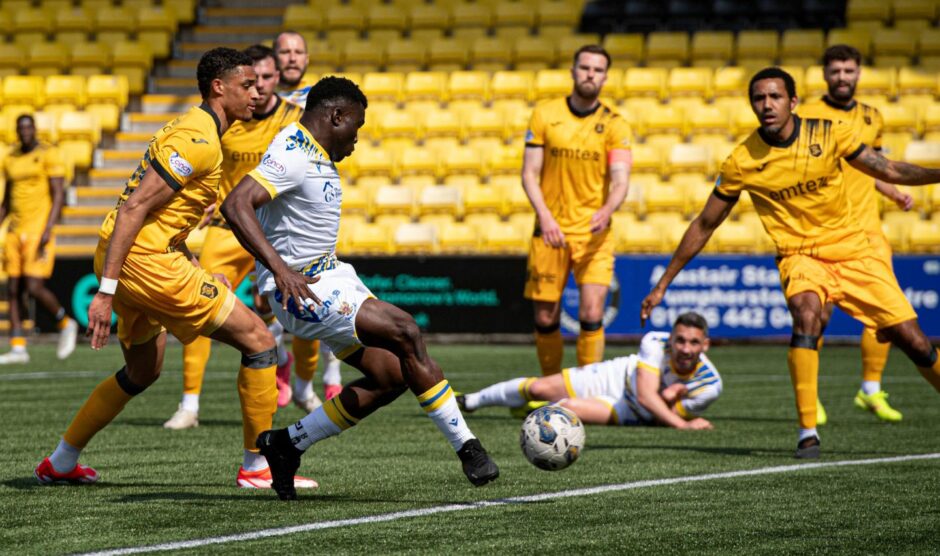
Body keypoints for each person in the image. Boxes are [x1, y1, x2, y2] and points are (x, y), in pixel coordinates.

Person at [34, 48, 314, 492]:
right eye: (247, 85)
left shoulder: (197, 130)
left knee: (142, 372)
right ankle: (257, 466)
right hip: (146, 264)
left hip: (128, 255)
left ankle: (62, 461)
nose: (257, 92)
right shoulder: (198, 140)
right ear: (219, 87)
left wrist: (197, 266)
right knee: (260, 343)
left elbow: (163, 217)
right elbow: (134, 209)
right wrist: (104, 295)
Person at [221, 76, 499, 500]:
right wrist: (280, 271)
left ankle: (287, 444)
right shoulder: (293, 151)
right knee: (406, 330)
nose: (356, 137)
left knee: (389, 377)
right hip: (304, 289)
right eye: (357, 125)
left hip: (330, 276)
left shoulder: (313, 152)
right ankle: (469, 449)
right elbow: (236, 203)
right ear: (337, 116)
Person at [641, 67, 940, 459]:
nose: (767, 105)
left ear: (793, 101)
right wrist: (664, 283)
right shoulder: (742, 161)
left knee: (914, 342)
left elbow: (889, 169)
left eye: (775, 97)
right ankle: (807, 432)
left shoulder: (829, 133)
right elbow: (705, 223)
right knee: (806, 315)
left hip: (854, 251)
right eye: (759, 98)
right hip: (800, 256)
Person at [163, 45, 323, 433]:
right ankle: (189, 403)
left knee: (309, 307)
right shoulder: (228, 120)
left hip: (278, 232)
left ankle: (303, 385)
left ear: (277, 79)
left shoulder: (294, 119)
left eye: (268, 78)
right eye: (255, 79)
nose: (262, 86)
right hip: (228, 228)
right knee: (200, 307)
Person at [798, 44, 912, 424]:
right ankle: (810, 397)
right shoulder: (807, 115)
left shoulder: (872, 116)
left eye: (849, 71)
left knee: (887, 314)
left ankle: (870, 390)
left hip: (868, 231)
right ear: (825, 74)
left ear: (858, 73)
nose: (842, 77)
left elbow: (873, 165)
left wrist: (894, 191)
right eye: (835, 71)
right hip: (824, 232)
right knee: (817, 314)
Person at [522, 44, 632, 376]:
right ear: (573, 71)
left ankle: (588, 390)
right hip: (550, 229)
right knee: (545, 317)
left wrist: (608, 209)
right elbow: (529, 173)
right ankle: (551, 385)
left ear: (605, 77)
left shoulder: (615, 124)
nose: (590, 75)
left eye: (597, 70)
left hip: (594, 233)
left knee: (591, 312)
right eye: (585, 68)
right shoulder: (545, 114)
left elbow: (621, 178)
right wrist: (545, 217)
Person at [458, 312, 720, 430]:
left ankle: (529, 409)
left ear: (705, 345)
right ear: (671, 339)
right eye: (680, 341)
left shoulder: (709, 386)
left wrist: (667, 402)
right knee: (539, 387)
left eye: (694, 342)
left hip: (629, 412)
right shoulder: (654, 342)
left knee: (564, 410)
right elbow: (647, 396)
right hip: (616, 377)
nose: (685, 349)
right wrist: (681, 424)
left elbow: (657, 414)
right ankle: (471, 401)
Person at [272, 29, 345, 401]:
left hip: (307, 206)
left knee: (318, 290)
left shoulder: (317, 99)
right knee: (269, 299)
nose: (291, 57)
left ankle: (327, 375)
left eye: (298, 51)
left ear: (307, 58)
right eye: (284, 51)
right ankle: (281, 360)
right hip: (269, 206)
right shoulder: (261, 98)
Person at [0, 114, 78, 364]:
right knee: (13, 289)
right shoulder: (10, 158)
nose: (24, 131)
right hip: (15, 230)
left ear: (34, 130)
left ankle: (65, 323)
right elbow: (8, 199)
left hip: (37, 230)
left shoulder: (48, 154)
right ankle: (18, 347)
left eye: (28, 127)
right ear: (16, 130)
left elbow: (57, 194)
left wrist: (49, 228)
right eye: (20, 127)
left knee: (33, 287)